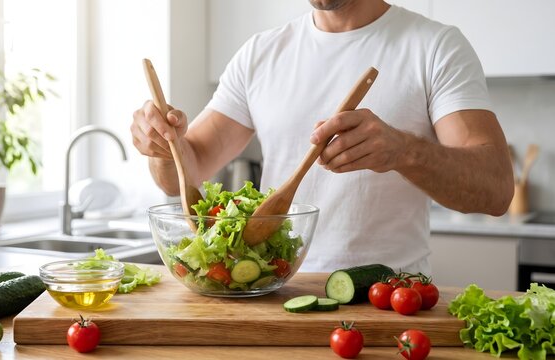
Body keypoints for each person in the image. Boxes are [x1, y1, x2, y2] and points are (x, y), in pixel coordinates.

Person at [130, 0, 514, 273]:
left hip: (388, 300)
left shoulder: (435, 46)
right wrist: (163, 146)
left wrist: (403, 152)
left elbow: (496, 190)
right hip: (275, 291)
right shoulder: (261, 53)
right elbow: (182, 175)